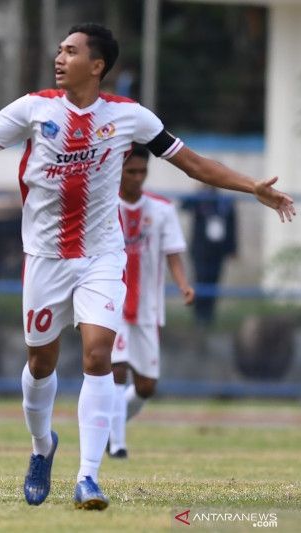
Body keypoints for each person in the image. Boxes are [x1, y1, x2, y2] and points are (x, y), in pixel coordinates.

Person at [0, 22, 294, 510]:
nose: (59, 58)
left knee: (98, 356)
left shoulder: (130, 117)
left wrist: (252, 186)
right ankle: (42, 447)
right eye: (59, 50)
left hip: (101, 256)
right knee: (40, 365)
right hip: (44, 261)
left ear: (97, 64)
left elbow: (193, 164)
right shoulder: (33, 109)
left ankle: (88, 478)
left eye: (70, 51)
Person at [108, 145, 195, 459]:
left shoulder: (161, 209)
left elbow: (173, 253)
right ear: (118, 170)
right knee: (115, 371)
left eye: (142, 171)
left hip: (147, 308)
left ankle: (108, 424)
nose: (137, 177)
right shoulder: (103, 206)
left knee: (145, 387)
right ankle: (116, 444)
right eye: (131, 171)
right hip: (111, 303)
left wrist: (183, 285)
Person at [181, 185, 238, 326]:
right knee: (200, 279)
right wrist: (199, 194)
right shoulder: (200, 199)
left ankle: (209, 315)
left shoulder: (225, 202)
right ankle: (199, 316)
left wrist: (233, 249)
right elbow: (184, 205)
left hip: (218, 250)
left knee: (214, 281)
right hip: (200, 249)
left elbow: (233, 226)